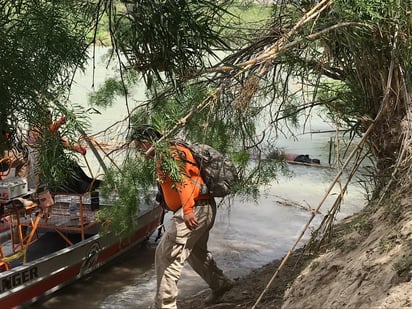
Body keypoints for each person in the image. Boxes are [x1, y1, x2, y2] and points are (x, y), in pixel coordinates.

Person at [131, 125, 233, 308]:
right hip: (203, 208)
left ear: (148, 141)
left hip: (196, 209)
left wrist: (187, 211)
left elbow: (183, 181)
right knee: (196, 254)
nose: (139, 150)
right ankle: (220, 284)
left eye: (139, 145)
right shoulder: (172, 149)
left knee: (166, 255)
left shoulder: (168, 153)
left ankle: (165, 305)